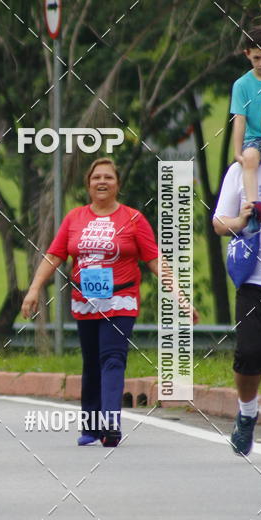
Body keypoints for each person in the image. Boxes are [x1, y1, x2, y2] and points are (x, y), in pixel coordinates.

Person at [22, 157, 197, 447]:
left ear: (117, 185)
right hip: (85, 301)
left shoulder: (133, 219)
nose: (102, 182)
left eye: (109, 178)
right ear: (88, 185)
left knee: (112, 358)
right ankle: (91, 426)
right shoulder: (75, 218)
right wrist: (33, 290)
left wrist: (179, 295)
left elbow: (154, 259)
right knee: (91, 363)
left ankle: (111, 423)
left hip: (121, 299)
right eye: (96, 178)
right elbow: (54, 255)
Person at [213, 102, 261, 456]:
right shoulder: (244, 169)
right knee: (249, 354)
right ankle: (247, 413)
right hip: (255, 281)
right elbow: (219, 223)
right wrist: (244, 220)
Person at [231, 27, 261, 230]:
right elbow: (240, 120)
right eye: (257, 58)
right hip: (255, 137)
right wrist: (238, 152)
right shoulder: (242, 85)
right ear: (247, 54)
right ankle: (255, 208)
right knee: (250, 158)